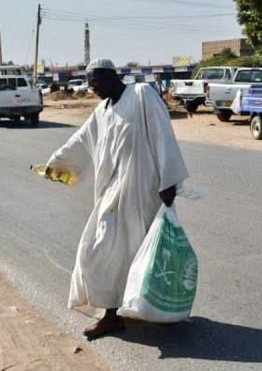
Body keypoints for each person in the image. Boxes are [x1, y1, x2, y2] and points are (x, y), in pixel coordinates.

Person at [45, 58, 189, 339]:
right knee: (99, 250)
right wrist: (57, 163)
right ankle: (113, 312)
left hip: (145, 191)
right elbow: (81, 140)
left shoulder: (141, 95)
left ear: (112, 76)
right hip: (113, 193)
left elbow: (163, 133)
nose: (93, 88)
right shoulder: (102, 110)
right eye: (90, 84)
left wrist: (169, 179)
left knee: (148, 253)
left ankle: (148, 309)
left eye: (96, 82)